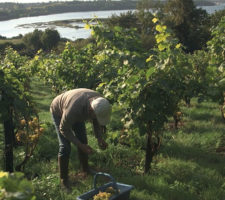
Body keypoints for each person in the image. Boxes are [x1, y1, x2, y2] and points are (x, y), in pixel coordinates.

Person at [50, 88, 112, 190]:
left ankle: (85, 169)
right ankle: (64, 180)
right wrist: (80, 145)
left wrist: (99, 138)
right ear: (90, 110)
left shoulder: (99, 101)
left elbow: (95, 119)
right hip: (59, 111)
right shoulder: (74, 109)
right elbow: (64, 129)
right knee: (65, 147)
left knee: (83, 139)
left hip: (77, 109)